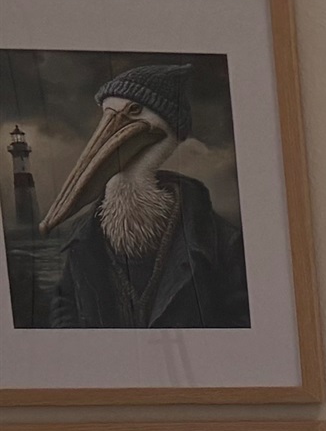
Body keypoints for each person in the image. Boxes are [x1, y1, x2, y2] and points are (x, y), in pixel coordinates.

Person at [39, 62, 250, 331]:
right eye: (108, 115)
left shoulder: (219, 239)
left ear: (167, 122)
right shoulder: (86, 236)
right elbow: (65, 303)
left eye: (133, 111)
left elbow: (240, 317)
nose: (114, 123)